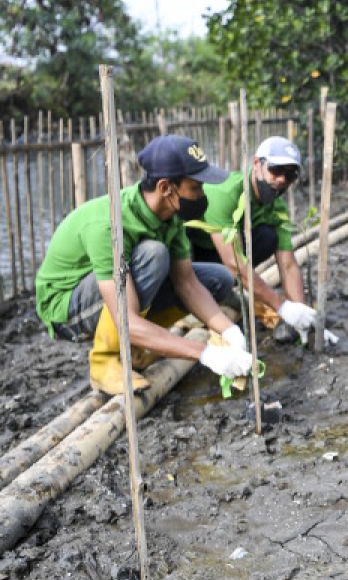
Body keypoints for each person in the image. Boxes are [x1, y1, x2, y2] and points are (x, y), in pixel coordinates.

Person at [35, 135, 253, 395]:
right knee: (153, 254)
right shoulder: (110, 224)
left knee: (217, 278)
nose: (202, 196)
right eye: (195, 188)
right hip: (66, 310)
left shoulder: (170, 216)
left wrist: (229, 332)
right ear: (165, 187)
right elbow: (126, 320)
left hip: (117, 297)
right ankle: (105, 362)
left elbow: (188, 283)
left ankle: (140, 347)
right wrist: (206, 353)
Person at [189, 136, 320, 340]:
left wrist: (300, 313)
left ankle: (222, 290)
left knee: (269, 237)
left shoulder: (277, 208)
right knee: (224, 273)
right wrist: (281, 306)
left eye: (290, 175)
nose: (282, 180)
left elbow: (288, 265)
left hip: (223, 253)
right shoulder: (226, 193)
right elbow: (233, 263)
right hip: (190, 254)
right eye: (276, 170)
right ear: (257, 164)